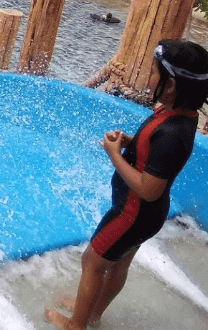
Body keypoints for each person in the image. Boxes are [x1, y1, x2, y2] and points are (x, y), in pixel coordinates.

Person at [43, 40, 208, 330]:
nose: (149, 76)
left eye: (154, 73)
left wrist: (114, 155)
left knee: (93, 263)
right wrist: (133, 143)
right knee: (117, 264)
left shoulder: (172, 134)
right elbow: (154, 155)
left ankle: (76, 325)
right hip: (145, 215)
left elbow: (148, 188)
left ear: (170, 86)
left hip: (132, 213)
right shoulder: (177, 115)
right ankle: (92, 312)